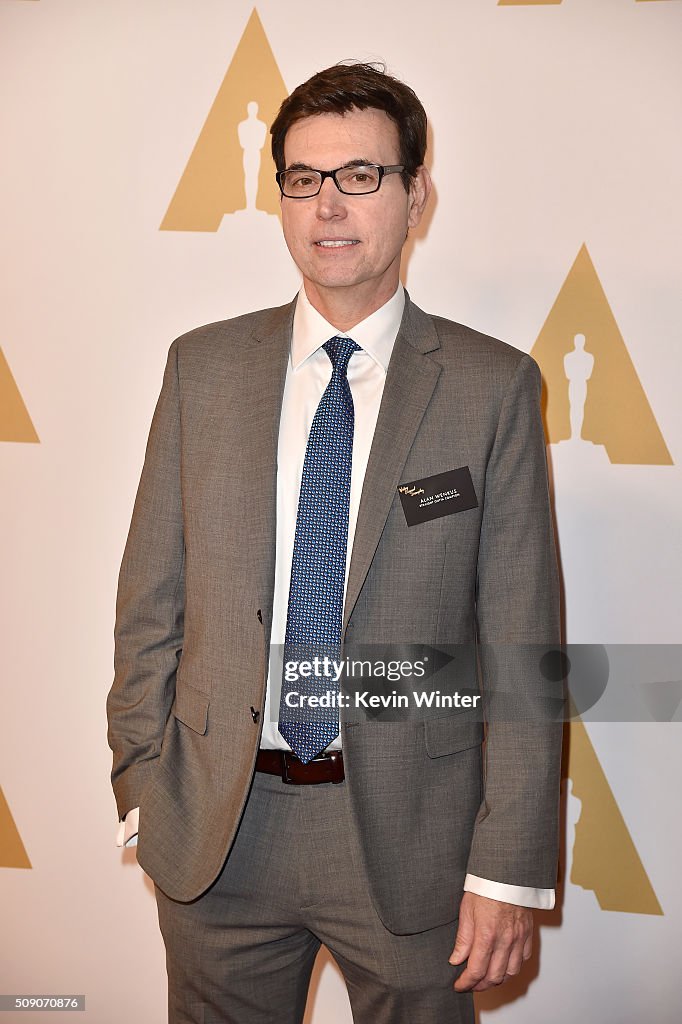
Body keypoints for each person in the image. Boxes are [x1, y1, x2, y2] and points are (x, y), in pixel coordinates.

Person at [107, 61, 562, 1024]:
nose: (329, 206)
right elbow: (151, 598)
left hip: (412, 840)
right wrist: (146, 784)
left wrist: (509, 869)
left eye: (361, 175)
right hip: (220, 831)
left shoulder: (492, 386)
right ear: (281, 197)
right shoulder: (203, 367)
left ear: (414, 193)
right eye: (304, 179)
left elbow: (523, 646)